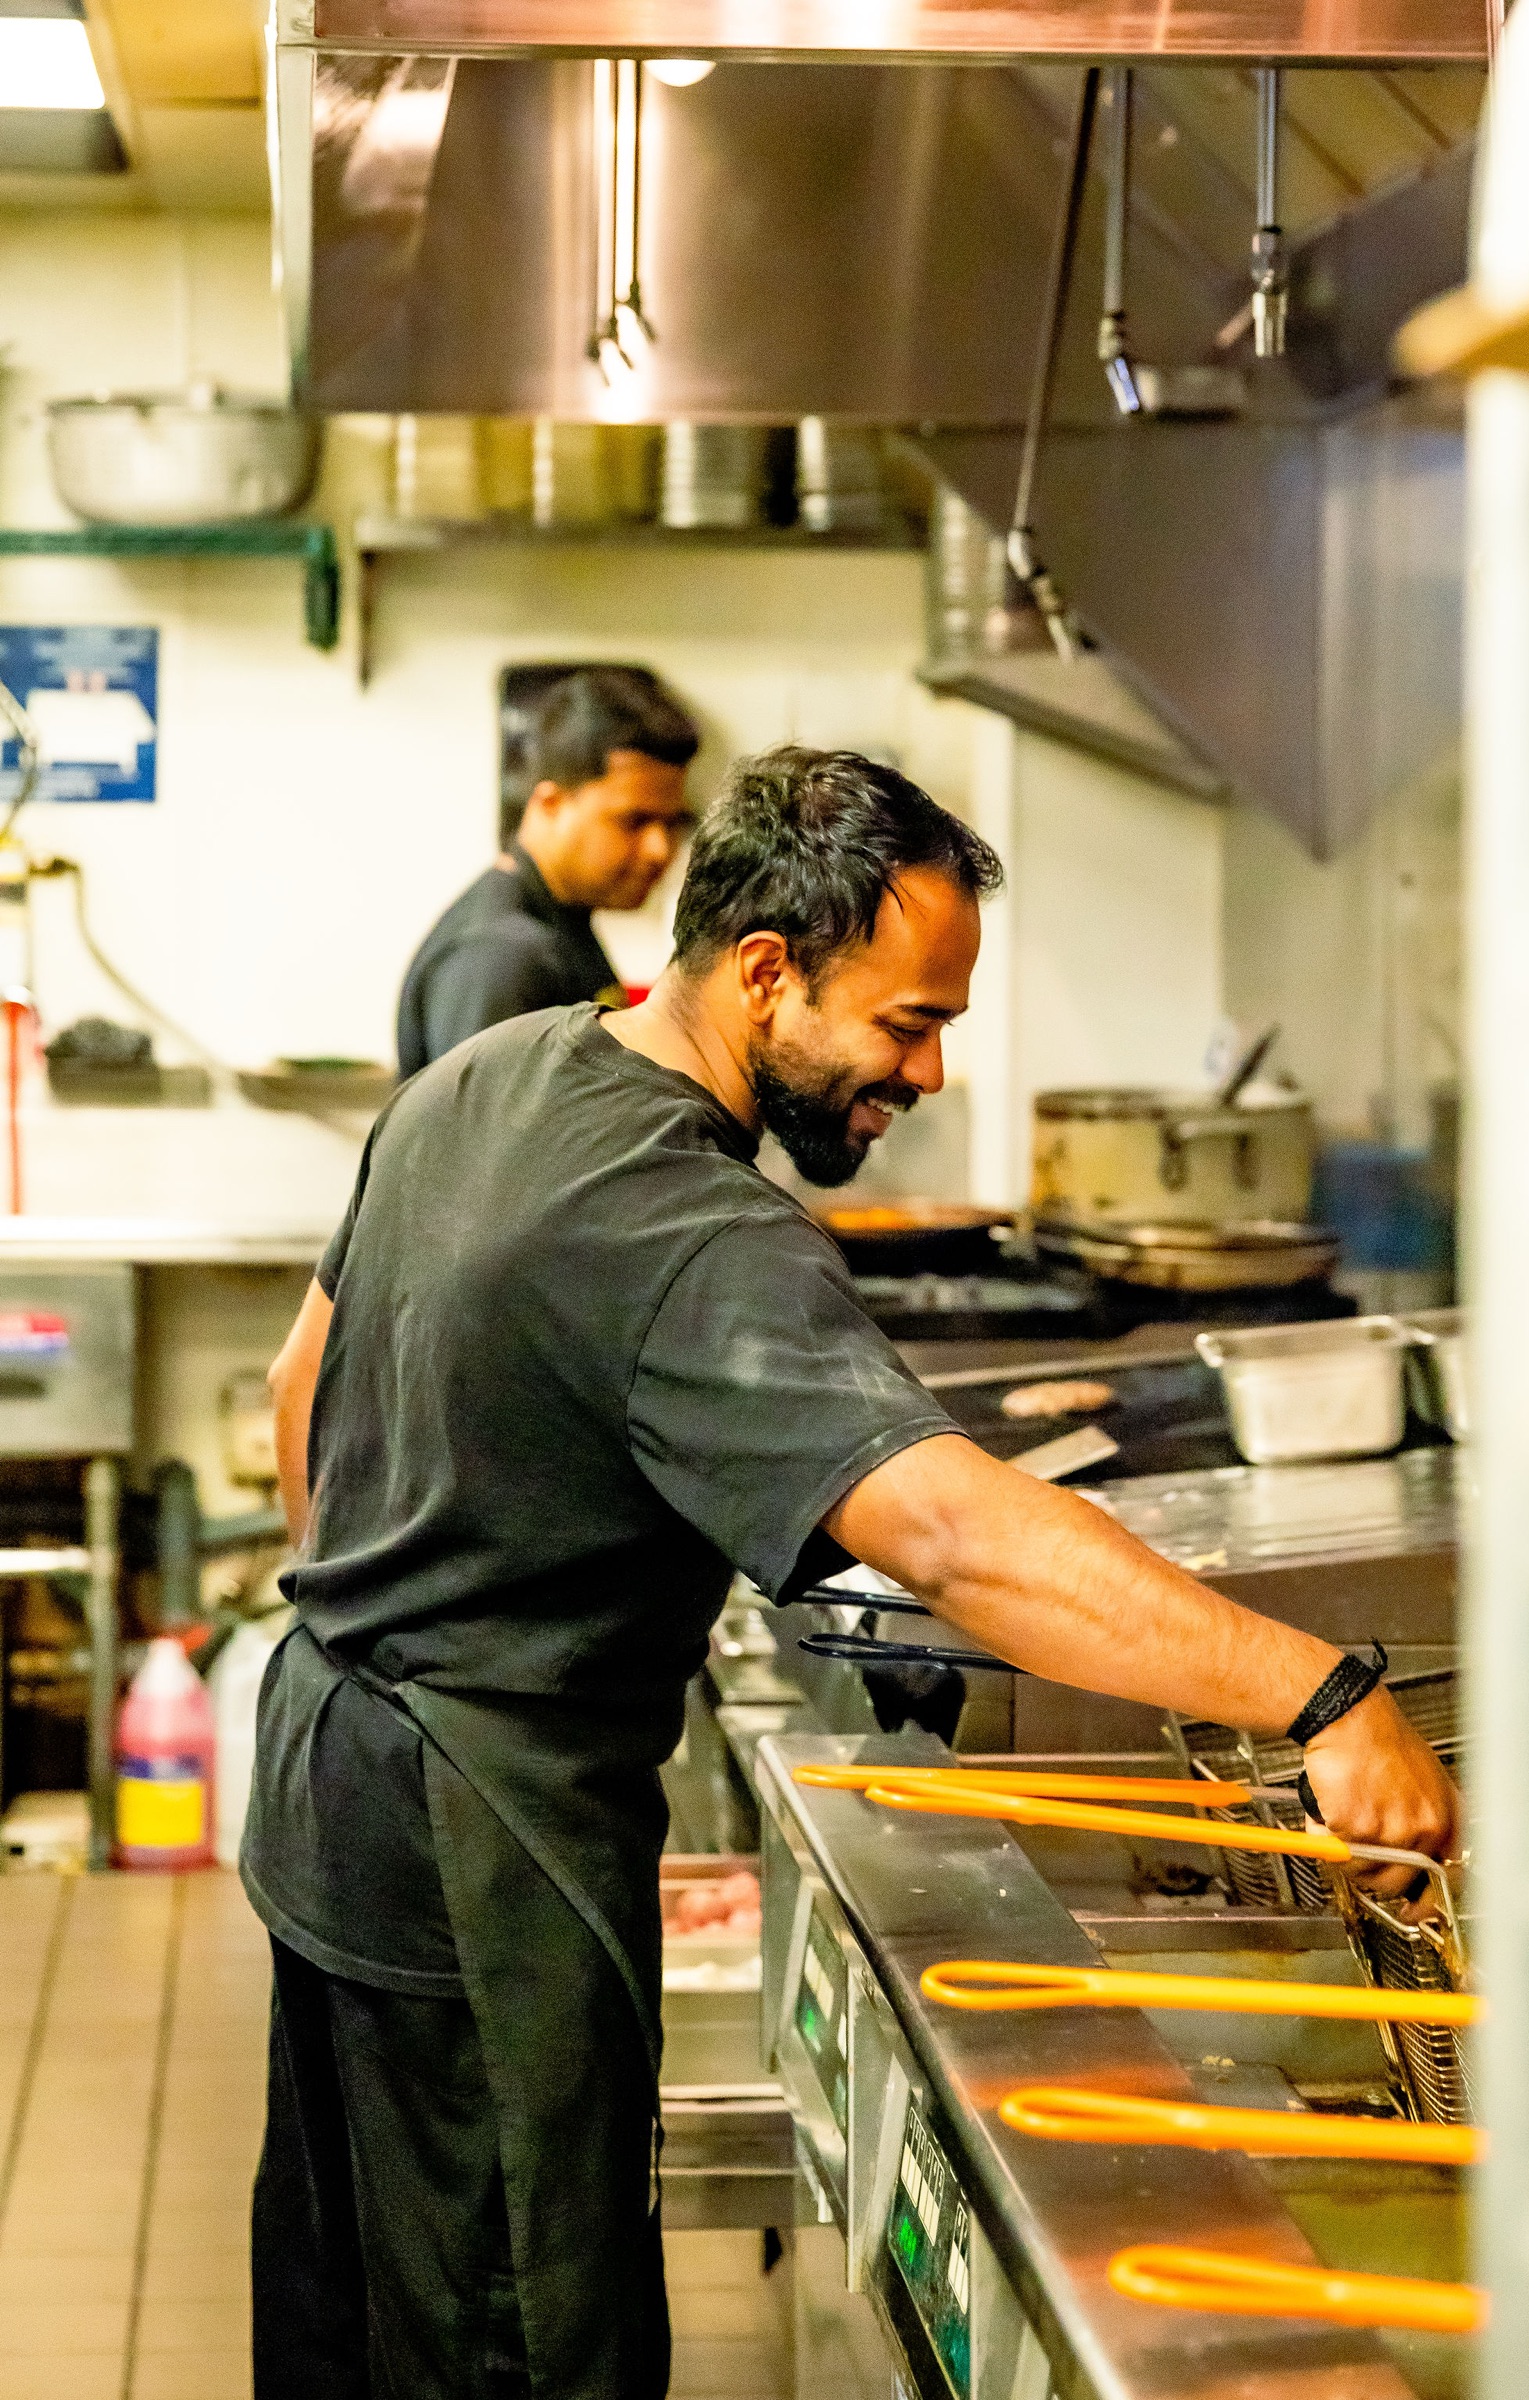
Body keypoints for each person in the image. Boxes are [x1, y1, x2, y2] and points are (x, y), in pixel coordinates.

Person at [248, 745, 1459, 2400]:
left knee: (356, 2313)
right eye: (907, 1022)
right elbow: (955, 1536)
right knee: (521, 2342)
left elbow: (295, 1391)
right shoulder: (683, 1221)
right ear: (764, 970)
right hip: (481, 1829)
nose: (935, 1071)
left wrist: (408, 1590)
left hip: (327, 1784)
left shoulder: (496, 1073)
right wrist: (1319, 1694)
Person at [395, 664, 700, 1078]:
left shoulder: (560, 923)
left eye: (672, 824)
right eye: (633, 821)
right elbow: (485, 1140)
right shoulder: (499, 958)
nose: (659, 849)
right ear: (550, 805)